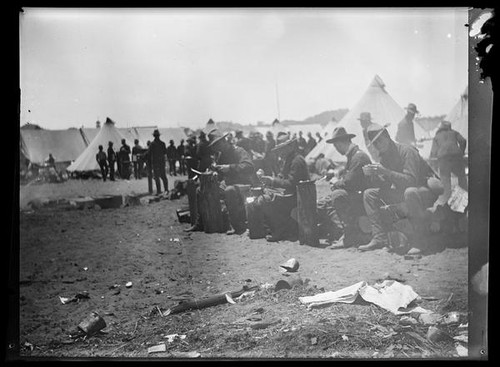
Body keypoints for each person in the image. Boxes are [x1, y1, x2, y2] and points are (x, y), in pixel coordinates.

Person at [358, 123, 441, 253]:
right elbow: (385, 185)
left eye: (380, 141)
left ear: (388, 137)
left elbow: (411, 181)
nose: (378, 145)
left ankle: (420, 241)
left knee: (410, 192)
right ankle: (379, 237)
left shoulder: (407, 151)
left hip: (424, 191)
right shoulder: (385, 157)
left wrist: (385, 171)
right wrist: (373, 176)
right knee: (369, 194)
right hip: (404, 191)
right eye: (375, 144)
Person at [185, 129, 255, 235]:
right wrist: (215, 171)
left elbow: (249, 166)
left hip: (243, 183)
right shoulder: (221, 155)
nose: (216, 148)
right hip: (228, 182)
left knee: (229, 190)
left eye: (217, 144)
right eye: (214, 145)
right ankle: (200, 223)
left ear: (224, 141)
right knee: (201, 190)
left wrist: (229, 168)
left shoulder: (238, 151)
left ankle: (236, 225)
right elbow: (221, 172)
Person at [249, 132, 310, 242]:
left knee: (267, 201)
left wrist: (273, 181)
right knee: (265, 195)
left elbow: (291, 184)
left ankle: (279, 231)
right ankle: (275, 228)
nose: (280, 153)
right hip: (291, 194)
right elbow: (282, 177)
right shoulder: (289, 159)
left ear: (291, 147)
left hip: (299, 196)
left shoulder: (297, 161)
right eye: (279, 150)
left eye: (282, 149)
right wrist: (270, 181)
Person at [316, 127, 372, 248]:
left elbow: (349, 183)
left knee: (337, 195)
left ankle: (349, 235)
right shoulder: (354, 156)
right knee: (327, 200)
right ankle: (342, 231)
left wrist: (336, 182)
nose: (336, 149)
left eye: (336, 146)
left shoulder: (358, 157)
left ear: (341, 143)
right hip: (359, 195)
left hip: (362, 198)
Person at [429, 120, 468, 200]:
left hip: (443, 159)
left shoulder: (437, 137)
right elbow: (463, 141)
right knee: (462, 178)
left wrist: (433, 164)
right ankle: (465, 199)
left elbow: (433, 152)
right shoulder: (454, 133)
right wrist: (461, 152)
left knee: (445, 180)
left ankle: (446, 200)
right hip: (457, 157)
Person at [149, 129, 169, 195]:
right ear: (159, 136)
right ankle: (166, 189)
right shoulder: (163, 143)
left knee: (157, 177)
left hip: (155, 163)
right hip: (161, 162)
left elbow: (149, 153)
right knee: (163, 176)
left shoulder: (152, 144)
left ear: (154, 136)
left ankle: (159, 191)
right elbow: (165, 153)